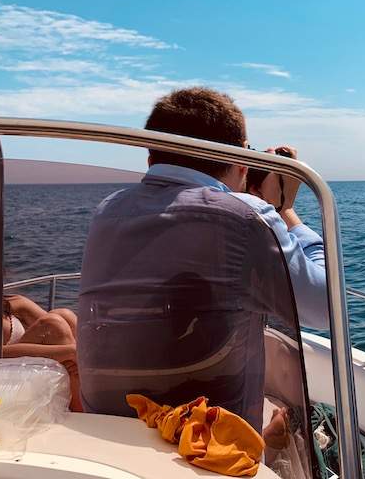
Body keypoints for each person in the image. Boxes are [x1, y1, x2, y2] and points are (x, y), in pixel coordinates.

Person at [78, 87, 328, 433]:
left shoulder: (108, 210)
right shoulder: (248, 217)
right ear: (242, 160)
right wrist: (284, 210)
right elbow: (325, 307)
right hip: (207, 447)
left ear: (151, 159)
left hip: (109, 429)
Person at [0, 232, 81, 410]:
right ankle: (84, 412)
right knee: (52, 326)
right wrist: (69, 351)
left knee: (64, 315)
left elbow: (68, 332)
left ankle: (94, 391)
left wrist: (75, 352)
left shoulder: (15, 304)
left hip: (25, 377)